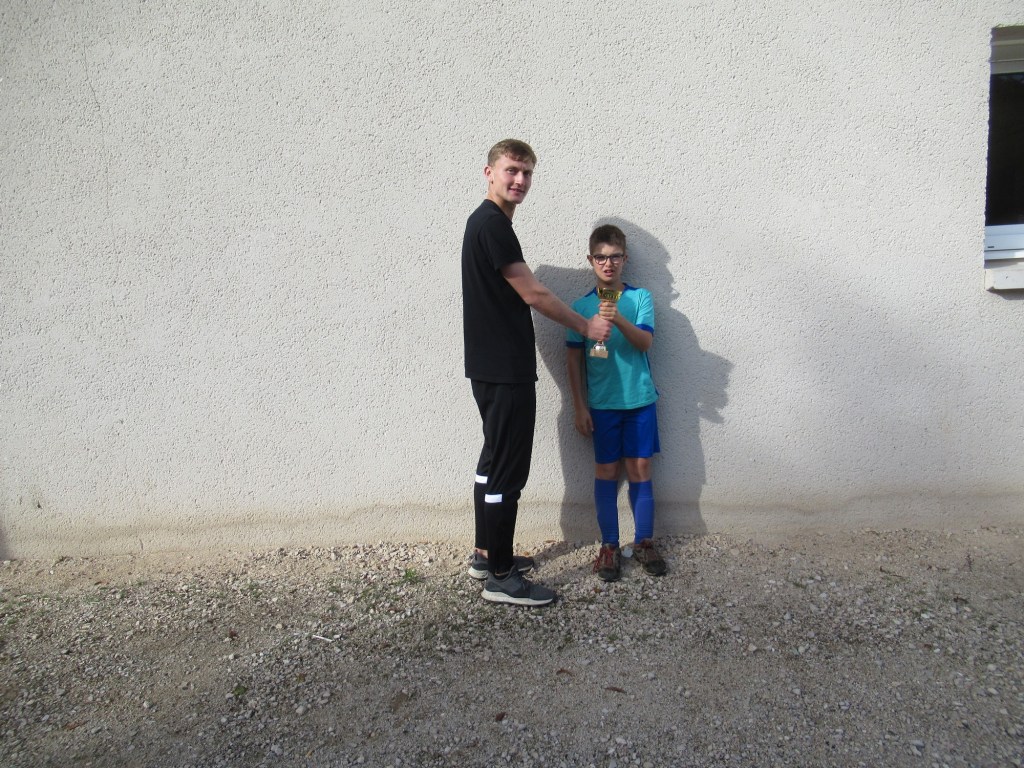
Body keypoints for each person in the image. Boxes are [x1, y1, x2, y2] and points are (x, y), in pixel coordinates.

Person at [462, 139, 612, 606]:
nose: (519, 180)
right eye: (511, 170)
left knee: (493, 462)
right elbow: (534, 293)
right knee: (507, 472)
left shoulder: (484, 223)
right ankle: (501, 578)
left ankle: (487, 554)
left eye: (527, 173)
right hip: (504, 369)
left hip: (489, 366)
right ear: (488, 172)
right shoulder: (493, 224)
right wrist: (586, 325)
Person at [565, 224, 667, 581]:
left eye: (615, 257)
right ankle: (609, 546)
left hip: (639, 401)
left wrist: (617, 316)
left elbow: (644, 343)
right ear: (590, 260)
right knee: (607, 471)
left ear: (625, 259)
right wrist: (579, 406)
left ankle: (644, 541)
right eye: (601, 257)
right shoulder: (580, 307)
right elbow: (573, 361)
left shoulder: (641, 299)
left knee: (640, 469)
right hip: (603, 404)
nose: (608, 264)